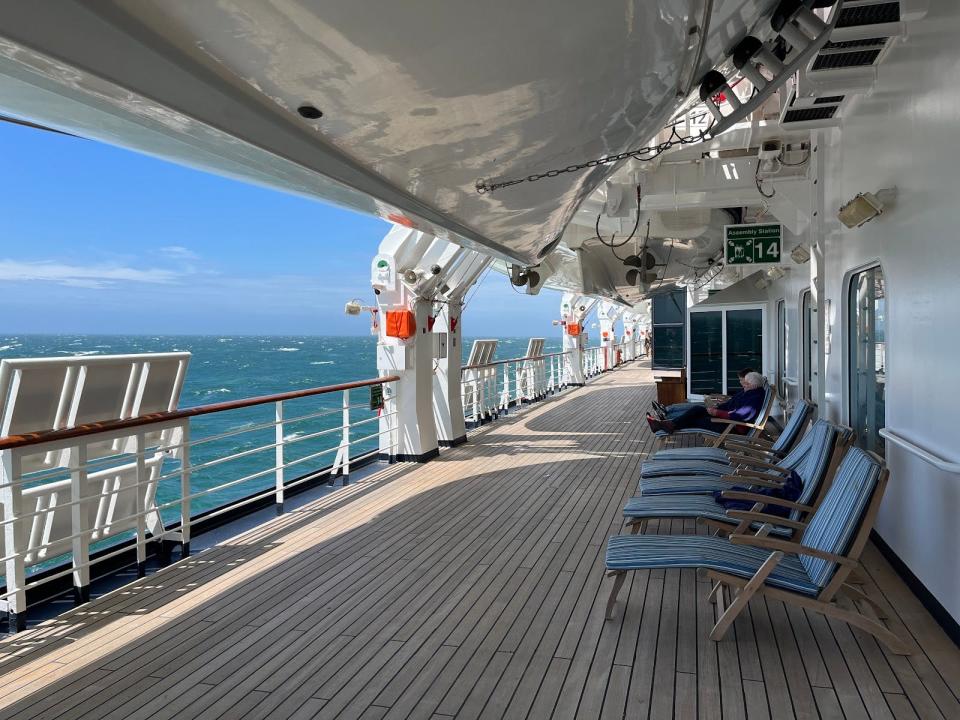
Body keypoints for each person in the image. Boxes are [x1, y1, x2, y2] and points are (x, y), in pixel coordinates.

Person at [647, 371, 767, 434]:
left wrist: (717, 412)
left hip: (731, 426)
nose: (743, 386)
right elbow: (732, 405)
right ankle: (667, 424)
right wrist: (717, 407)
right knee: (697, 409)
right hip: (726, 421)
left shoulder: (753, 399)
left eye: (746, 384)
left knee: (695, 419)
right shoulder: (750, 393)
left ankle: (665, 424)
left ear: (753, 385)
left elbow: (740, 415)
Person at [651, 368, 759, 421]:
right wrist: (723, 401)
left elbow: (737, 410)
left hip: (721, 413)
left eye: (743, 381)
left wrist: (718, 409)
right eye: (741, 381)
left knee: (696, 409)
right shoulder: (746, 392)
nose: (741, 383)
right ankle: (667, 410)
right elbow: (734, 401)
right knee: (694, 406)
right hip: (721, 408)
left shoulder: (751, 396)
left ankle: (667, 416)